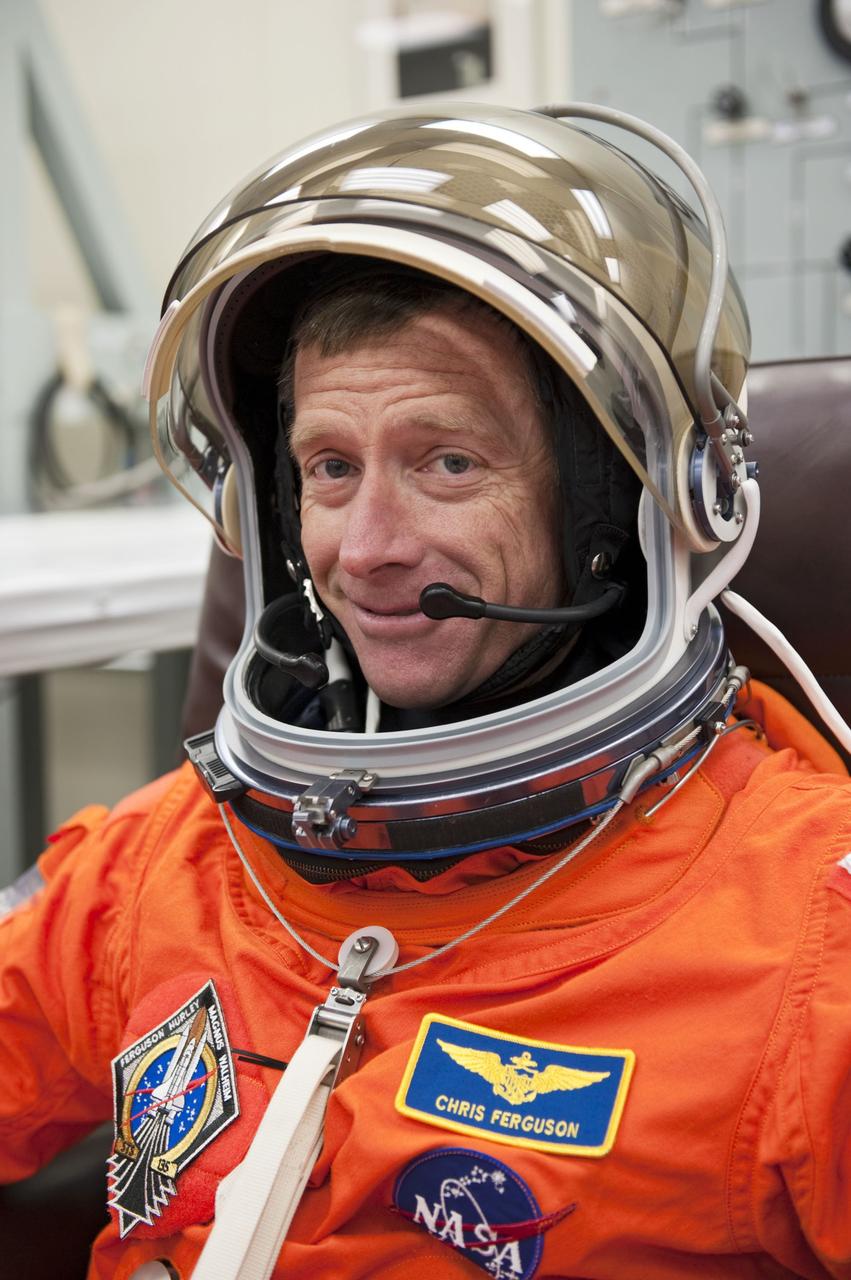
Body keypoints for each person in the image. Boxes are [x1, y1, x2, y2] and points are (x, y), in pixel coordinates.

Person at [1, 102, 850, 1280]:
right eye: (329, 468)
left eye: (446, 461)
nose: (365, 545)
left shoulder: (806, 941)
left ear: (612, 504)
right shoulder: (163, 862)